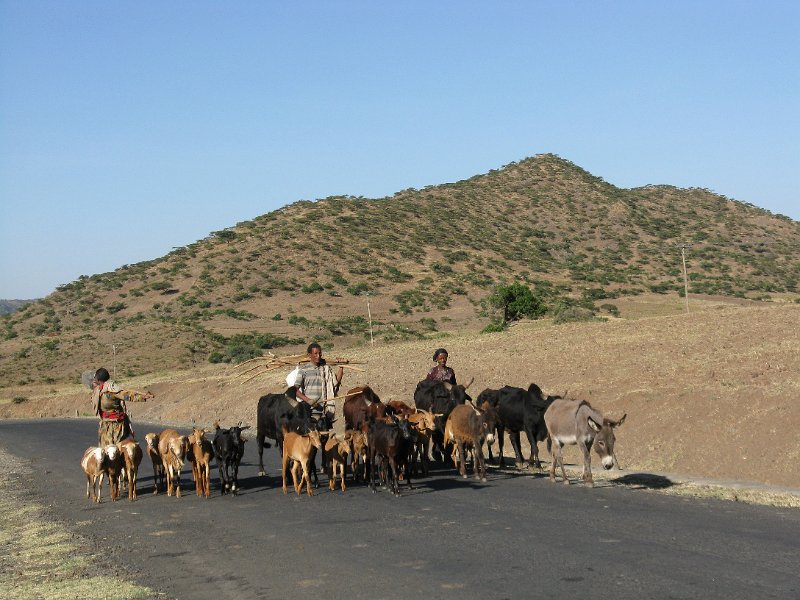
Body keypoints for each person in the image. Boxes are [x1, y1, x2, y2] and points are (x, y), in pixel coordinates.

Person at [92, 367, 152, 446]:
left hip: (116, 425)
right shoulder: (98, 390)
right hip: (105, 424)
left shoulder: (111, 390)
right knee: (104, 448)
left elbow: (127, 395)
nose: (94, 379)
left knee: (116, 447)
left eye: (95, 378)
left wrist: (142, 397)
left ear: (98, 379)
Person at [294, 343, 344, 421]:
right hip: (311, 411)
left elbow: (335, 382)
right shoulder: (303, 370)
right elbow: (294, 390)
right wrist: (308, 400)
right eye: (315, 353)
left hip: (326, 410)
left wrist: (341, 367)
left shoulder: (325, 369)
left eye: (320, 353)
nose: (318, 356)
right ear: (309, 355)